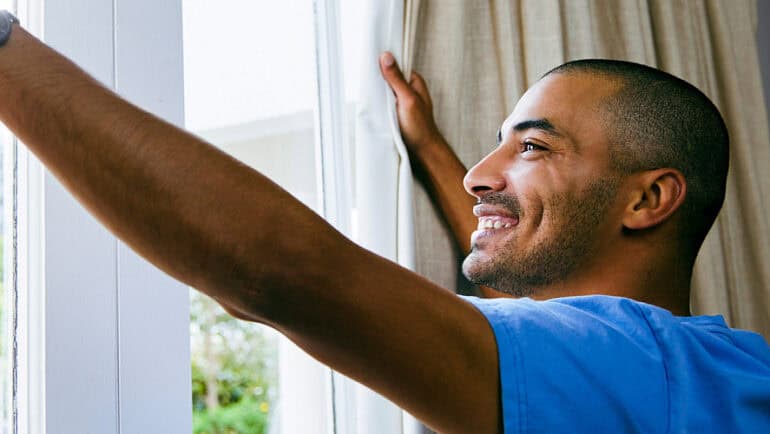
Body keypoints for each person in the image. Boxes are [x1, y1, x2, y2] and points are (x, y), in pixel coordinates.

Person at [0, 13, 766, 433]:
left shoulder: (644, 362)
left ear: (647, 201)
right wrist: (432, 149)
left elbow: (281, 272)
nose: (480, 174)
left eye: (531, 145)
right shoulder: (698, 378)